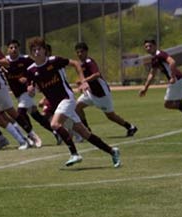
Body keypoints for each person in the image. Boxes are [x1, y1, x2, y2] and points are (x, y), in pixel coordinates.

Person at [25, 37, 122, 168]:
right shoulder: (31, 71)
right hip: (57, 105)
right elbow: (33, 88)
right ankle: (112, 151)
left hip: (67, 99)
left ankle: (74, 154)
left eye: (39, 49)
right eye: (34, 50)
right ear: (31, 53)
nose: (37, 52)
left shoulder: (54, 61)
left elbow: (75, 63)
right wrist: (31, 91)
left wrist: (83, 81)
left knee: (54, 124)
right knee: (84, 133)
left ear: (44, 50)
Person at [73, 42, 138, 137]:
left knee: (111, 116)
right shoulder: (80, 64)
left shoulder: (89, 62)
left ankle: (130, 127)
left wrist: (84, 81)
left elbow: (97, 74)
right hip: (91, 93)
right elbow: (84, 79)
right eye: (77, 52)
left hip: (101, 94)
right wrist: (82, 86)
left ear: (86, 52)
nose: (79, 54)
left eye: (81, 52)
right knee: (77, 107)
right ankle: (87, 130)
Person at [139, 39, 182, 127]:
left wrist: (172, 77)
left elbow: (172, 62)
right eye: (146, 47)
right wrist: (145, 88)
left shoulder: (160, 54)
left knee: (168, 104)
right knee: (178, 103)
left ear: (155, 46)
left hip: (175, 79)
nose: (148, 48)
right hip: (180, 78)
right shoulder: (154, 59)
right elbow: (152, 74)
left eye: (150, 46)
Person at [2, 39, 44, 147]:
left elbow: (36, 71)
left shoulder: (25, 59)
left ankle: (32, 137)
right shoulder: (4, 62)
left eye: (16, 47)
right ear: (7, 50)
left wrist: (30, 82)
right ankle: (56, 132)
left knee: (20, 113)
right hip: (17, 94)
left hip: (26, 91)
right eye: (11, 47)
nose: (14, 49)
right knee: (35, 115)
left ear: (19, 48)